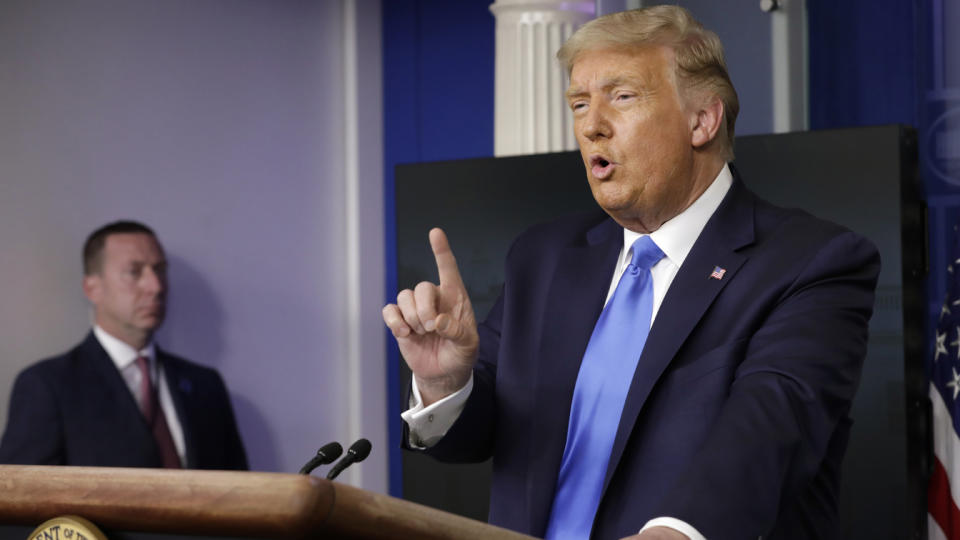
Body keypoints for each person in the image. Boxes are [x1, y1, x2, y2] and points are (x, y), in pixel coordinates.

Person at [382, 6, 880, 540]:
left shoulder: (810, 263)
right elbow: (484, 436)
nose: (592, 126)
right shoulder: (542, 257)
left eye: (621, 97)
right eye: (579, 103)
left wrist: (675, 532)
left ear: (702, 120)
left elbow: (770, 429)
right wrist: (444, 384)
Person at [0, 220, 248, 470]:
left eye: (159, 270)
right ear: (92, 288)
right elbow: (22, 498)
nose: (156, 286)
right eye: (134, 271)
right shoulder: (48, 385)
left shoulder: (206, 386)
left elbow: (239, 494)